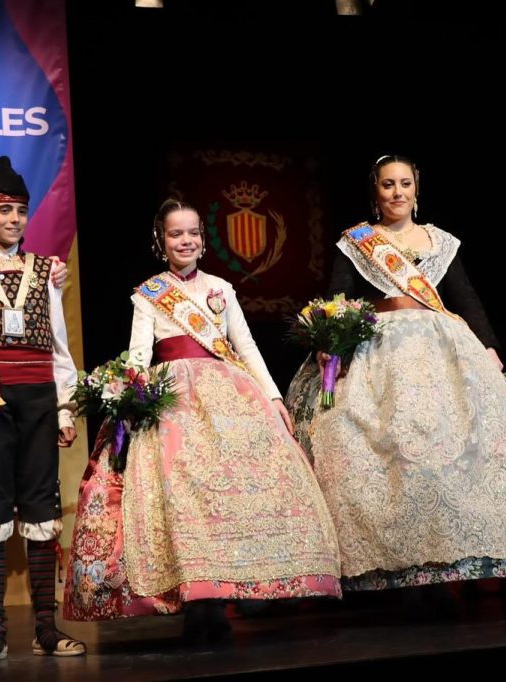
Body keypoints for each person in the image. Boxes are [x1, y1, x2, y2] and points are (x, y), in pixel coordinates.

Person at [285, 155, 506, 602]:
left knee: (452, 452)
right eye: (388, 184)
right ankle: (399, 570)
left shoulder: (440, 241)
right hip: (378, 351)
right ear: (375, 191)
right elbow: (337, 298)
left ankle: (450, 563)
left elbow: (465, 297)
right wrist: (329, 338)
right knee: (389, 453)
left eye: (405, 183)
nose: (397, 192)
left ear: (416, 190)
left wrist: (489, 349)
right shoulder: (357, 242)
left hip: (442, 346)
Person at [64, 199, 341, 642]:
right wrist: (130, 399)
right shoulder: (149, 294)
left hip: (230, 395)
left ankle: (235, 587)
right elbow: (139, 356)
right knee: (187, 496)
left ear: (203, 239)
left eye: (192, 232)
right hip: (174, 400)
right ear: (161, 241)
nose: (186, 240)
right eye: (176, 234)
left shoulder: (221, 288)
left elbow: (246, 347)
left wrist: (272, 397)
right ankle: (198, 600)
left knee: (231, 494)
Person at [0, 157, 84, 665]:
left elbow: (59, 345)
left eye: (21, 211)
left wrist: (66, 409)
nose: (14, 219)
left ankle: (46, 629)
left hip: (38, 399)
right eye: (4, 210)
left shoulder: (46, 270)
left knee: (41, 506)